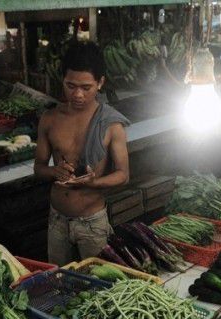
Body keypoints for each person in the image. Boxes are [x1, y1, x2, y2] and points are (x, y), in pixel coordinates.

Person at [34, 42, 130, 265]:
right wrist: (53, 171)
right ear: (63, 80)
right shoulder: (49, 119)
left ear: (100, 83)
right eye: (70, 86)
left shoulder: (111, 124)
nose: (77, 94)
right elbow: (38, 168)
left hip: (92, 222)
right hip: (57, 219)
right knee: (58, 280)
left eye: (86, 88)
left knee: (99, 285)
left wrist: (93, 182)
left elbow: (123, 175)